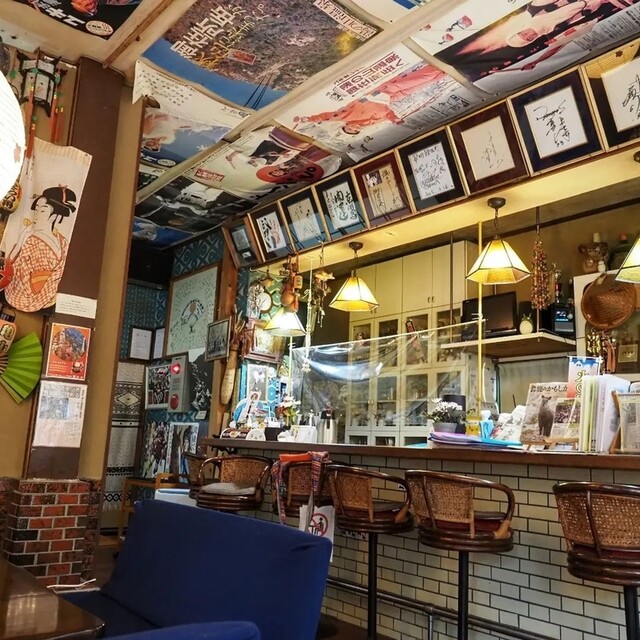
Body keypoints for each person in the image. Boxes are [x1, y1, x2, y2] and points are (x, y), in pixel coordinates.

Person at [3, 186, 76, 312]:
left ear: (54, 217)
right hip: (20, 291)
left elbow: (59, 272)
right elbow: (11, 263)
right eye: (35, 209)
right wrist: (21, 240)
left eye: (42, 211)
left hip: (46, 295)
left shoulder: (63, 242)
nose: (36, 215)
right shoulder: (29, 235)